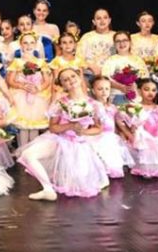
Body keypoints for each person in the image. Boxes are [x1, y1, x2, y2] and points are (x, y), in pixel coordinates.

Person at [16, 69, 110, 201]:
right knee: (28, 155)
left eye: (73, 76)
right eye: (65, 80)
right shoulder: (60, 103)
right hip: (59, 139)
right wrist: (70, 126)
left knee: (76, 182)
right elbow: (53, 128)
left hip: (78, 144)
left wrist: (83, 131)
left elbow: (98, 128)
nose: (70, 80)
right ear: (63, 85)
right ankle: (48, 190)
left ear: (80, 78)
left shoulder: (94, 105)